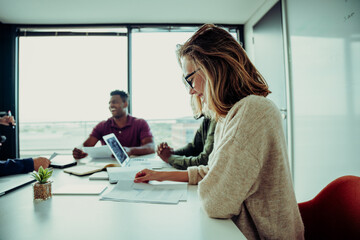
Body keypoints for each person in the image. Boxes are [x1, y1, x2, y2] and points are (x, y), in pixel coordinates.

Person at [134, 24, 304, 239]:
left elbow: (216, 201)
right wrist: (160, 175)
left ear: (213, 68)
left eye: (189, 79)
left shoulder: (253, 111)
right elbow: (212, 172)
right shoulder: (230, 115)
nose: (191, 90)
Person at [73, 90, 155, 159]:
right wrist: (79, 151)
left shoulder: (140, 123)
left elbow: (151, 147)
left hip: (133, 166)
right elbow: (86, 146)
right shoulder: (102, 125)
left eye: (114, 102)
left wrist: (130, 150)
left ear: (125, 104)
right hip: (108, 166)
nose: (111, 105)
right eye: (109, 103)